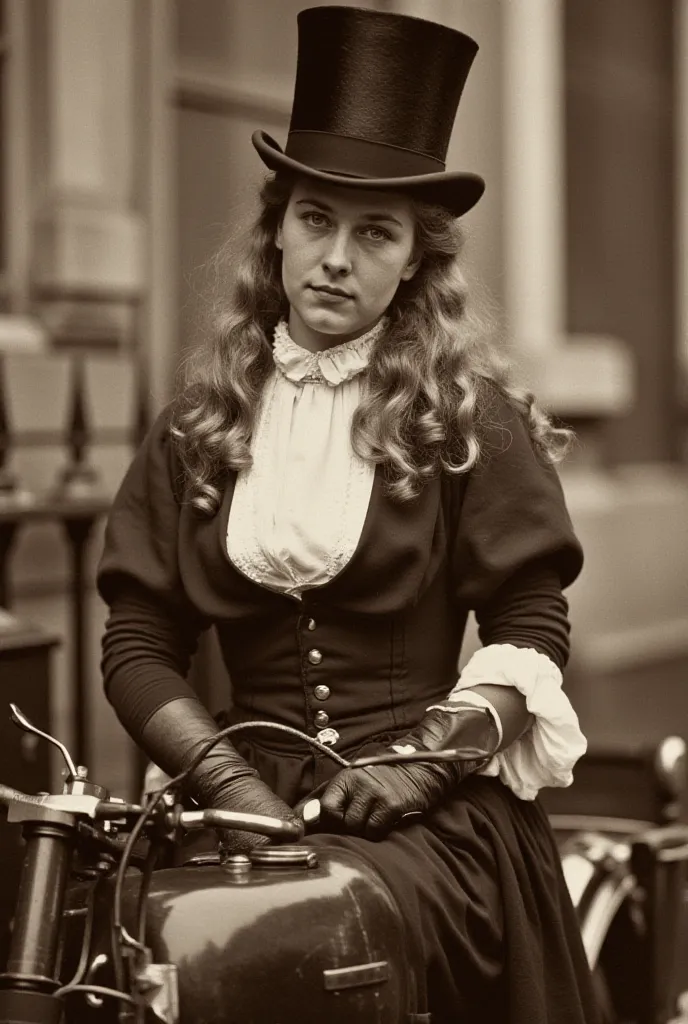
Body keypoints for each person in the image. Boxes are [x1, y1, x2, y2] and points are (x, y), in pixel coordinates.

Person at [97, 7, 600, 1022]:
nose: (335, 258)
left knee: (335, 935)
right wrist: (227, 783)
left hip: (428, 827)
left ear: (414, 259)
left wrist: (423, 761)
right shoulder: (198, 429)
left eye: (374, 233)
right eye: (315, 219)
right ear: (276, 226)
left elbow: (530, 629)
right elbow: (139, 639)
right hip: (234, 806)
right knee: (134, 949)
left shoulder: (468, 422)